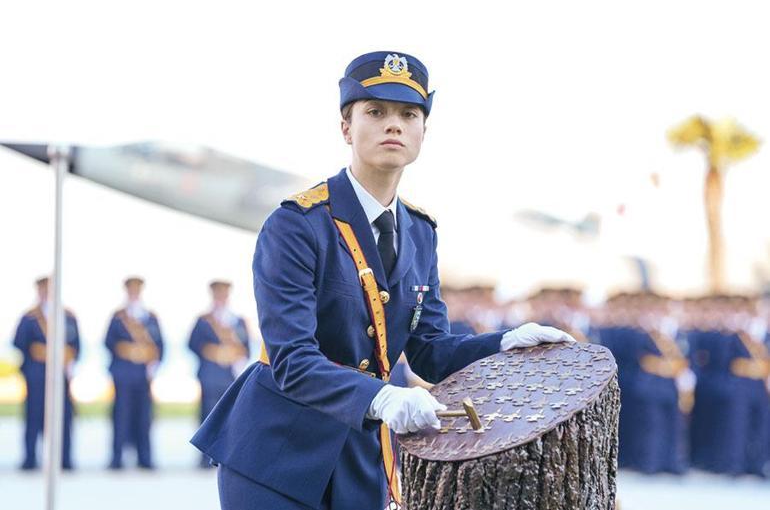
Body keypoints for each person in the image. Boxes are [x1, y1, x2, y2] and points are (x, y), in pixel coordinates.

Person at [191, 51, 575, 510]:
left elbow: (430, 351)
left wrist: (503, 346)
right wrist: (382, 397)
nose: (393, 125)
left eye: (408, 114)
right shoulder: (298, 224)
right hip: (277, 453)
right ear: (346, 127)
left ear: (423, 132)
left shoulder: (420, 232)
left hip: (359, 457)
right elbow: (292, 359)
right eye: (375, 112)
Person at [12, 276, 80, 470]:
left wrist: (69, 361)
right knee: (33, 416)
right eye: (43, 290)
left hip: (60, 375)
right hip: (37, 375)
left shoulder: (67, 317)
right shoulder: (30, 318)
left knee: (63, 417)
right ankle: (30, 458)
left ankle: (64, 459)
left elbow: (75, 346)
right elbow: (20, 343)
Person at [188, 280, 251, 468]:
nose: (221, 298)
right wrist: (213, 352)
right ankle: (204, 458)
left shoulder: (237, 321)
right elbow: (193, 344)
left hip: (230, 375)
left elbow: (245, 348)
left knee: (230, 417)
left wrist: (233, 355)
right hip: (209, 373)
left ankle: (225, 456)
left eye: (223, 294)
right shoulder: (204, 321)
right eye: (218, 295)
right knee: (207, 415)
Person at [105, 276, 164, 469]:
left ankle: (144, 458)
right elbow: (110, 343)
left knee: (144, 418)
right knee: (121, 416)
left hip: (142, 374)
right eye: (131, 290)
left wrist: (153, 365)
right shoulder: (118, 317)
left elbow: (159, 346)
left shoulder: (150, 317)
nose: (134, 293)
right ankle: (117, 458)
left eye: (137, 290)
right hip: (123, 373)